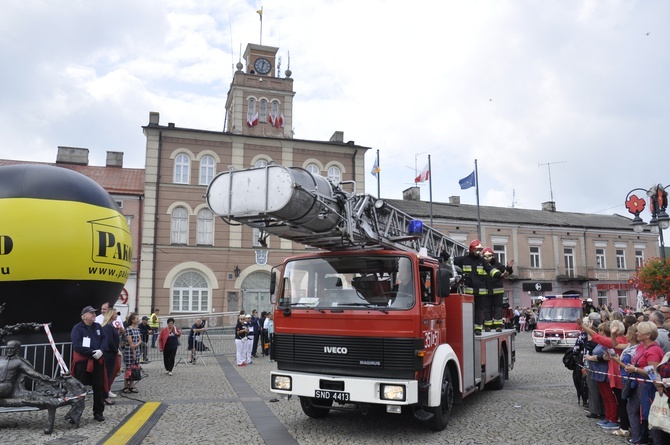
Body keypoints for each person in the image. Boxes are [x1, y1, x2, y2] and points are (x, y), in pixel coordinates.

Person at [621, 321, 664, 445]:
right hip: (638, 383)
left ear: (648, 335)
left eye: (640, 331)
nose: (637, 333)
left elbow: (653, 372)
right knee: (633, 409)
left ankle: (654, 441)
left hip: (647, 386)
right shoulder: (641, 346)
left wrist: (635, 369)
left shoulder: (653, 350)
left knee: (649, 414)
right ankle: (638, 438)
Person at [454, 239, 501, 335]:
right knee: (468, 311)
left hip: (481, 291)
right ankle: (467, 328)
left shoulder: (482, 261)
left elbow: (489, 269)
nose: (478, 252)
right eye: (476, 250)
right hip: (468, 291)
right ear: (471, 249)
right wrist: (445, 255)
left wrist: (497, 273)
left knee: (479, 310)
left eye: (480, 250)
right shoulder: (463, 259)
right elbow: (451, 260)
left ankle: (478, 328)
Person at [71, 305, 107, 421]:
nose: (94, 315)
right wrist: (91, 352)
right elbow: (77, 345)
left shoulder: (97, 327)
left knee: (99, 387)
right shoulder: (77, 328)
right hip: (83, 362)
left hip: (97, 361)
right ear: (84, 316)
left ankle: (98, 412)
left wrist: (101, 350)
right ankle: (76, 413)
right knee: (79, 388)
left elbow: (104, 339)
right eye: (91, 313)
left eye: (94, 313)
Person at [482, 247, 514, 332]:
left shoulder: (498, 265)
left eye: (489, 256)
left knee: (498, 308)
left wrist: (509, 268)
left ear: (493, 256)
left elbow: (506, 272)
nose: (487, 258)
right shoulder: (481, 265)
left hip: (497, 290)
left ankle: (498, 326)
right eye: (485, 256)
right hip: (486, 291)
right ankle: (488, 326)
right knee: (487, 309)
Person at [100, 307, 122, 406]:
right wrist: (116, 351)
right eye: (115, 314)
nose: (116, 315)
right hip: (109, 354)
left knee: (107, 375)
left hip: (110, 353)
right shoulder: (108, 327)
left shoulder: (109, 326)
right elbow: (110, 342)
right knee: (107, 375)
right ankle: (105, 396)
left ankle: (105, 394)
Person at [122, 313, 142, 394]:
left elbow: (140, 340)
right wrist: (134, 351)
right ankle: (126, 386)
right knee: (128, 368)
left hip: (136, 350)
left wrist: (136, 345)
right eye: (136, 318)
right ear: (133, 320)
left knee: (134, 368)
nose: (138, 319)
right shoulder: (128, 329)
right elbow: (130, 343)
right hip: (129, 351)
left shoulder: (138, 329)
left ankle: (132, 385)